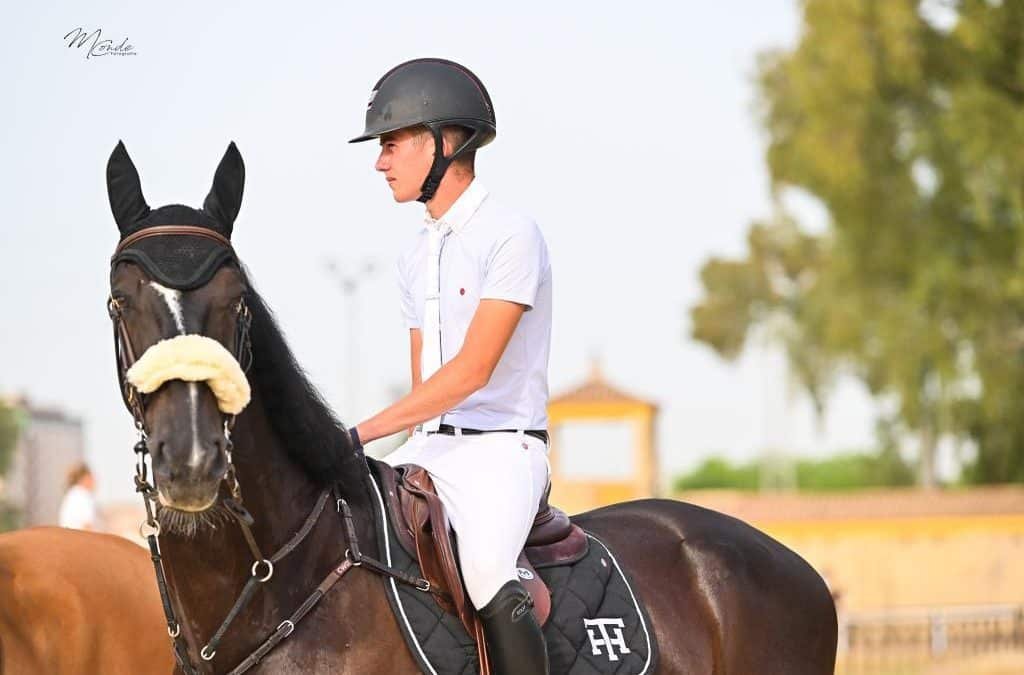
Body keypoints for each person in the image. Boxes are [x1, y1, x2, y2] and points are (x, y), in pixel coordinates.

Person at [348, 58, 552, 675]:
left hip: (503, 451)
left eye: (390, 144)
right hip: (431, 448)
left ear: (442, 141)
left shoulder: (513, 234)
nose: (380, 162)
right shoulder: (415, 256)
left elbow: (471, 373)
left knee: (488, 570)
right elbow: (426, 388)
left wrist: (357, 435)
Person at [58, 462, 100, 531]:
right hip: (80, 539)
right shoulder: (84, 495)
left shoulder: (71, 495)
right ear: (85, 478)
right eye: (92, 477)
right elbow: (87, 527)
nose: (95, 481)